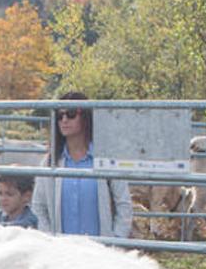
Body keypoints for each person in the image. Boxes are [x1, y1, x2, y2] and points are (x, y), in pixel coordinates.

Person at [31, 92, 133, 238]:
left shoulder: (107, 160)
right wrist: (49, 241)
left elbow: (124, 205)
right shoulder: (49, 163)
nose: (64, 120)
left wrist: (116, 240)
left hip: (100, 252)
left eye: (71, 114)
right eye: (60, 116)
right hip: (62, 253)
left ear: (86, 117)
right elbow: (38, 207)